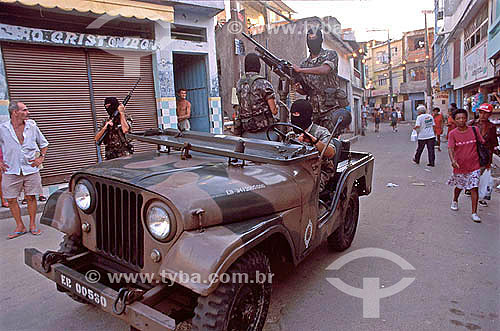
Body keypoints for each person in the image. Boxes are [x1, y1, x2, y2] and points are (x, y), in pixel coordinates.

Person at [0, 101, 48, 239]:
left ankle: (32, 224)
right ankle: (19, 226)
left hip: (30, 168)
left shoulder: (32, 126)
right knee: (11, 199)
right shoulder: (3, 128)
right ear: (15, 112)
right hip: (11, 169)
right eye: (25, 110)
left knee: (31, 197)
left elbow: (44, 143)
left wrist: (41, 158)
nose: (28, 112)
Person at [293, 28, 351, 135]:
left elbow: (325, 70)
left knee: (331, 141)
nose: (312, 42)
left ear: (320, 40)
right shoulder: (304, 63)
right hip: (313, 111)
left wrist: (300, 70)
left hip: (330, 109)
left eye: (314, 39)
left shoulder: (330, 55)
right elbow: (307, 90)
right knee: (313, 141)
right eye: (309, 39)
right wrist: (298, 89)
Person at [290, 99, 337, 194]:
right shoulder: (290, 132)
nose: (294, 117)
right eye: (292, 114)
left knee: (304, 190)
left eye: (297, 114)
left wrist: (314, 141)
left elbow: (331, 152)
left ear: (307, 115)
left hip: (319, 170)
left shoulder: (320, 132)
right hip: (295, 169)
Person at [447, 108, 485, 223]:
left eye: (463, 118)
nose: (461, 120)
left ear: (466, 118)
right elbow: (450, 148)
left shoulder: (474, 130)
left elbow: (481, 142)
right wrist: (453, 160)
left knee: (474, 188)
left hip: (474, 165)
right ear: (454, 120)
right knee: (459, 186)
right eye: (458, 118)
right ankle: (455, 200)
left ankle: (474, 213)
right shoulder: (452, 134)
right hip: (460, 166)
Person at [236, 53, 278, 140]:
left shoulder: (239, 83)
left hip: (246, 127)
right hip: (263, 128)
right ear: (258, 65)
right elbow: (274, 111)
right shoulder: (264, 83)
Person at [468, 103, 498, 206]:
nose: (483, 115)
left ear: (489, 115)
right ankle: (471, 189)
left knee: (482, 176)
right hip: (472, 153)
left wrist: (489, 161)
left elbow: (493, 144)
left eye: (485, 113)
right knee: (472, 174)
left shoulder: (491, 127)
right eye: (481, 113)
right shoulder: (472, 124)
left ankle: (480, 196)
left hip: (484, 155)